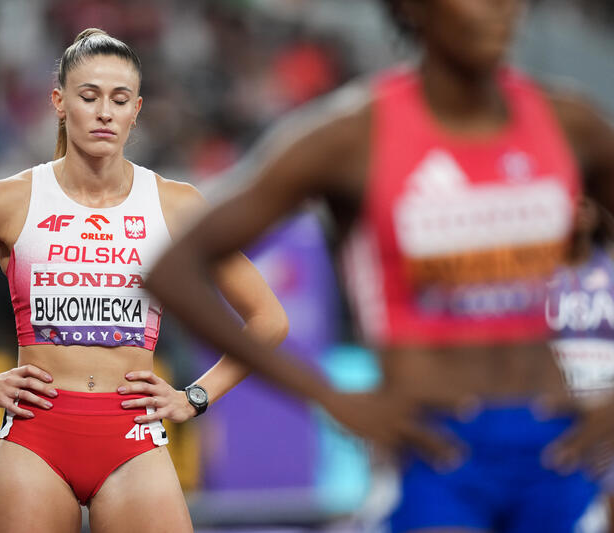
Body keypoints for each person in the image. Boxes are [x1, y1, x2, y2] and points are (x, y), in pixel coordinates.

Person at [146, 1, 614, 531]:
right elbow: (175, 270)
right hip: (433, 448)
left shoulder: (571, 124)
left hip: (555, 442)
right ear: (411, 8)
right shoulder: (351, 137)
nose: (500, 9)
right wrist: (329, 398)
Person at [0, 28, 287, 533]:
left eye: (119, 99)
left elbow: (268, 319)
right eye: (89, 97)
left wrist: (195, 396)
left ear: (137, 109)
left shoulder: (174, 204)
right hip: (36, 440)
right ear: (60, 102)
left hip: (132, 436)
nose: (104, 112)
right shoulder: (11, 200)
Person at [547, 196, 614, 532]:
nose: (581, 205)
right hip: (552, 419)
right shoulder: (531, 278)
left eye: (589, 197)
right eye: (571, 195)